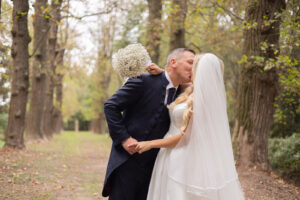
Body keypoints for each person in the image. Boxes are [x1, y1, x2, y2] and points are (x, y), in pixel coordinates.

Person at [130, 53, 245, 200]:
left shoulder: (203, 101)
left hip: (182, 158)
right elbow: (176, 82)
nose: (190, 68)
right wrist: (164, 72)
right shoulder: (194, 91)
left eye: (193, 65)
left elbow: (185, 138)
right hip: (171, 154)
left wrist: (150, 144)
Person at [102, 48, 195, 200]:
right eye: (190, 62)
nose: (193, 67)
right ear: (173, 62)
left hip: (157, 166)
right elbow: (111, 106)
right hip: (128, 161)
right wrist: (124, 139)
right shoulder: (142, 81)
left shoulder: (183, 95)